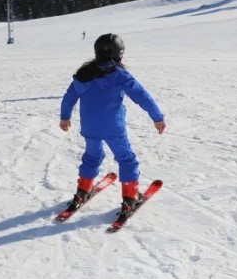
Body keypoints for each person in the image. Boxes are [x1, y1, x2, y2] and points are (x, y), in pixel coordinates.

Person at [59, 33, 166, 219]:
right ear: (119, 54)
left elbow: (69, 97)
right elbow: (141, 95)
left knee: (92, 156)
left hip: (90, 127)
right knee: (126, 159)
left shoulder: (84, 74)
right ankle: (131, 198)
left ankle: (83, 190)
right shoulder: (118, 74)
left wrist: (65, 117)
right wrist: (157, 116)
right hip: (113, 128)